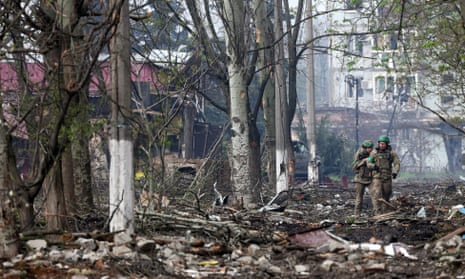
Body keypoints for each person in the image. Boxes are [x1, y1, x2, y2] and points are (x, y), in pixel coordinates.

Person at [367, 135, 400, 215]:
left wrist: (395, 172)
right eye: (380, 144)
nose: (382, 145)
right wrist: (374, 166)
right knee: (377, 194)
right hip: (377, 177)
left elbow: (397, 163)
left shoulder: (392, 153)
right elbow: (368, 163)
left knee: (387, 194)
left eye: (383, 144)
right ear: (378, 144)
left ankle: (385, 211)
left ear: (387, 144)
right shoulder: (374, 153)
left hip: (387, 177)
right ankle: (377, 212)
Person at [352, 140, 375, 217]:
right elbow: (354, 166)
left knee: (375, 196)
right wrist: (364, 161)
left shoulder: (374, 154)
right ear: (365, 148)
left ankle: (377, 214)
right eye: (368, 148)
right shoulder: (359, 154)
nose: (370, 149)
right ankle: (357, 215)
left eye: (371, 148)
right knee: (359, 198)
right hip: (360, 178)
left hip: (370, 178)